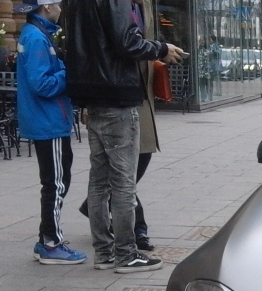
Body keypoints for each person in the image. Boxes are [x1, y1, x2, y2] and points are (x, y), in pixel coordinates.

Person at [66, 0, 183, 272]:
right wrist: (161, 48)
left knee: (98, 182)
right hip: (117, 95)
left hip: (92, 96)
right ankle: (126, 253)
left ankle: (104, 253)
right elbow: (127, 43)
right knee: (122, 183)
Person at [15, 0, 86, 265]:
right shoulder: (36, 38)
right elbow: (42, 84)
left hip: (47, 120)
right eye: (58, 4)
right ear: (47, 7)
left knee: (56, 180)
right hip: (49, 121)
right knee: (56, 183)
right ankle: (51, 243)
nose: (61, 9)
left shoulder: (34, 34)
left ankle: (46, 238)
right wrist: (70, 73)